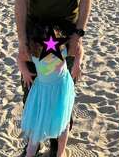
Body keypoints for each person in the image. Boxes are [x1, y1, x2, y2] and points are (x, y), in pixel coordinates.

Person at [15, 0, 93, 157]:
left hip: (66, 36)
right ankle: (33, 145)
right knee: (32, 91)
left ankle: (56, 149)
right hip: (36, 36)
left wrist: (78, 36)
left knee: (63, 95)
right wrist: (22, 41)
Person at [18, 26, 83, 156]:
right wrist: (25, 72)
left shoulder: (62, 49)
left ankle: (60, 152)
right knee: (37, 124)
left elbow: (79, 49)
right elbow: (19, 58)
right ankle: (30, 153)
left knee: (63, 121)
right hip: (42, 92)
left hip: (61, 88)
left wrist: (77, 64)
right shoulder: (34, 54)